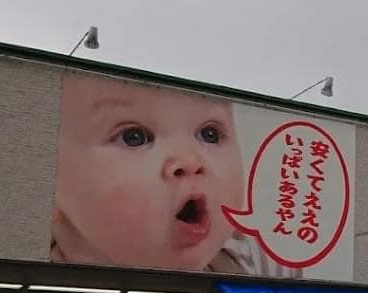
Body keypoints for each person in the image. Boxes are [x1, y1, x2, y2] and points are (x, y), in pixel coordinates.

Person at [52, 74, 250, 274]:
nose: (190, 161)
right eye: (134, 137)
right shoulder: (31, 281)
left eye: (210, 134)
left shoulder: (249, 261)